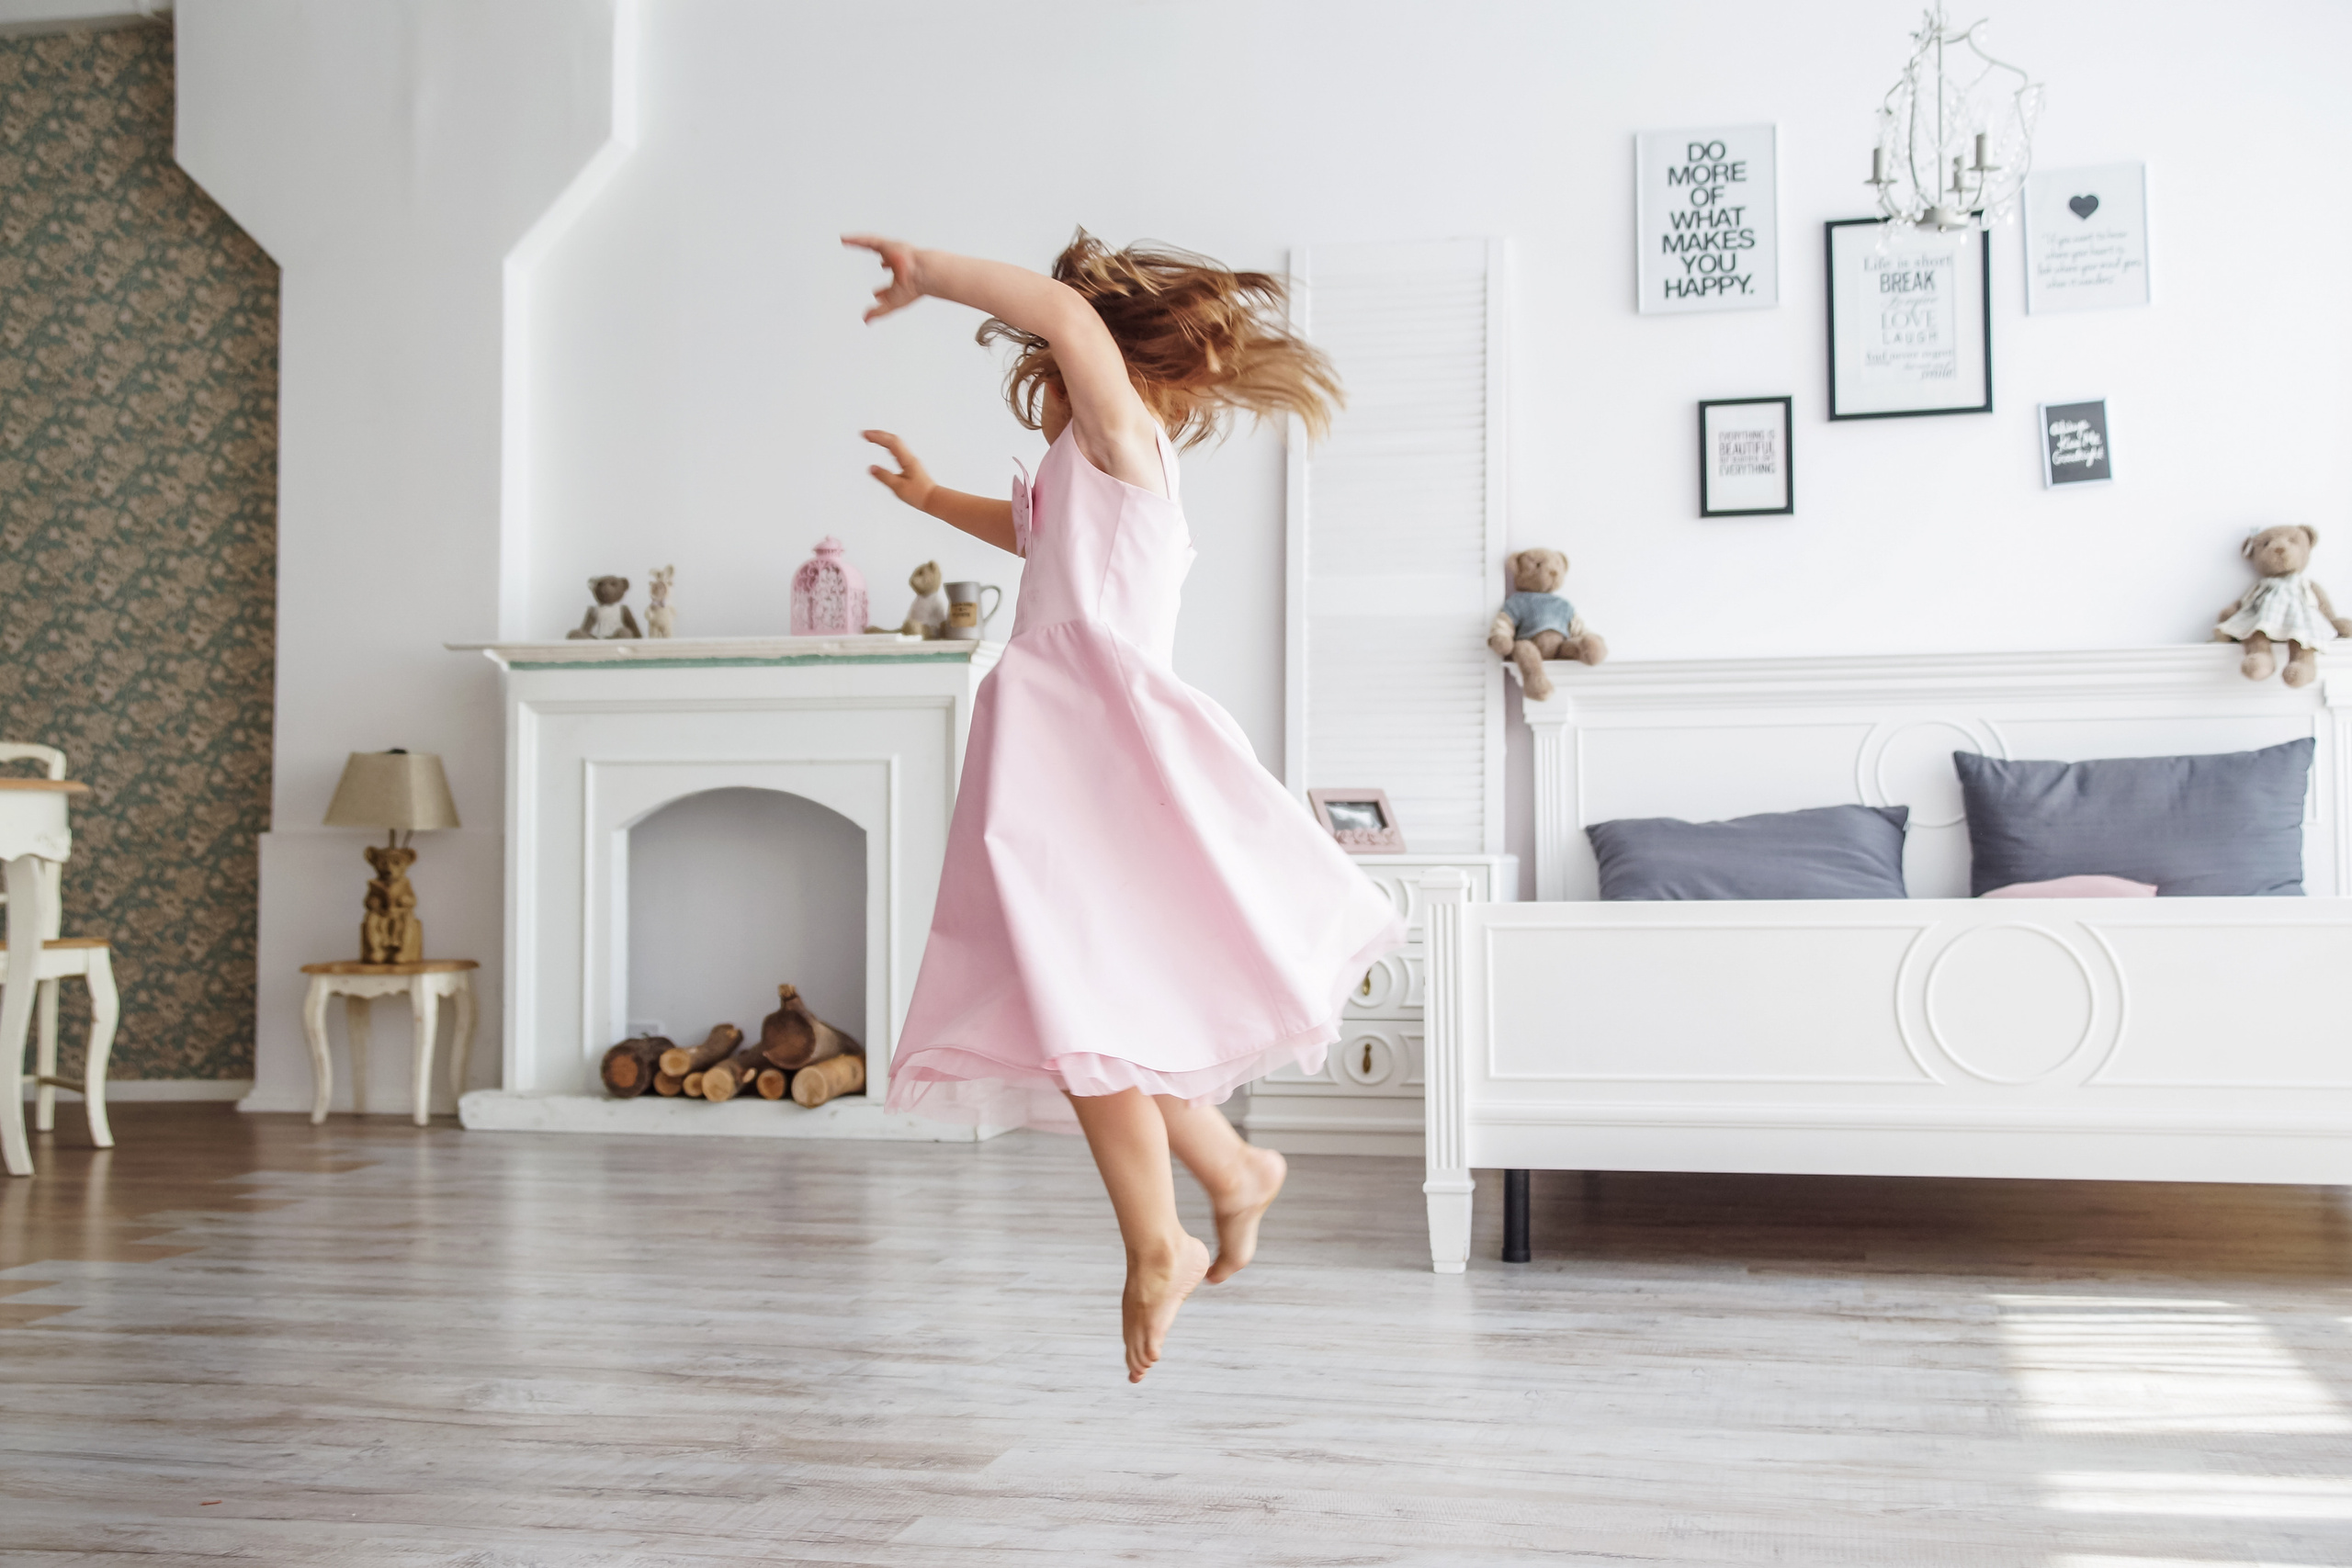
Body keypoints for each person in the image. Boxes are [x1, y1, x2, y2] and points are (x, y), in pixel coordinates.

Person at [848, 231, 1406, 1383]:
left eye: (1061, 352)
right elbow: (1032, 532)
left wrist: (935, 275)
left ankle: (1159, 1243)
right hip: (1056, 736)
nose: (1052, 368)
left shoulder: (1124, 430)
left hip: (1096, 739)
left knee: (1081, 997)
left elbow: (1060, 310)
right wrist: (929, 496)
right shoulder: (1083, 464)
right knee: (1098, 999)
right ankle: (1236, 1174)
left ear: (1099, 353)